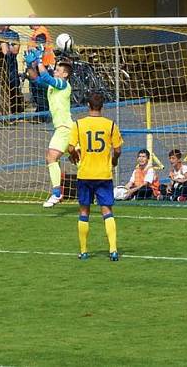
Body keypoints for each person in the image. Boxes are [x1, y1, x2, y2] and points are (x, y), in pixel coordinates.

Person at [68, 92, 123, 261]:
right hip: (103, 174)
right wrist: (113, 160)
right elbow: (118, 149)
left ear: (88, 106)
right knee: (107, 210)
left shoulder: (79, 124)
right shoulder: (110, 125)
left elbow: (70, 148)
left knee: (84, 211)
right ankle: (113, 250)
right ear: (102, 107)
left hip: (85, 173)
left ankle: (84, 251)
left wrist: (75, 157)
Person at [24, 50, 72, 208]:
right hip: (64, 128)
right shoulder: (53, 85)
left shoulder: (63, 84)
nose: (55, 71)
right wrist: (29, 65)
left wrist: (39, 60)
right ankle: (102, 186)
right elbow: (37, 79)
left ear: (65, 74)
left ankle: (57, 193)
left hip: (64, 128)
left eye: (58, 70)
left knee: (51, 157)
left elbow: (45, 76)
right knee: (79, 160)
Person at [27, 16, 56, 118]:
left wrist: (35, 62)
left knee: (40, 90)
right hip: (42, 65)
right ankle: (40, 113)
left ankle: (42, 115)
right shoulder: (37, 32)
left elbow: (40, 48)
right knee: (39, 89)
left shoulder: (40, 32)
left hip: (44, 66)